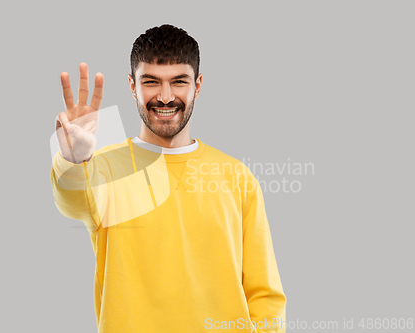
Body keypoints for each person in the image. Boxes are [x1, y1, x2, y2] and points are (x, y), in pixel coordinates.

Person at [51, 24, 286, 332]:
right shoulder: (105, 168)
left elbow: (264, 295)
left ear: (197, 85)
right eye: (151, 82)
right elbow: (73, 201)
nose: (164, 97)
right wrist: (74, 157)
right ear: (133, 86)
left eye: (178, 81)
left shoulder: (236, 176)